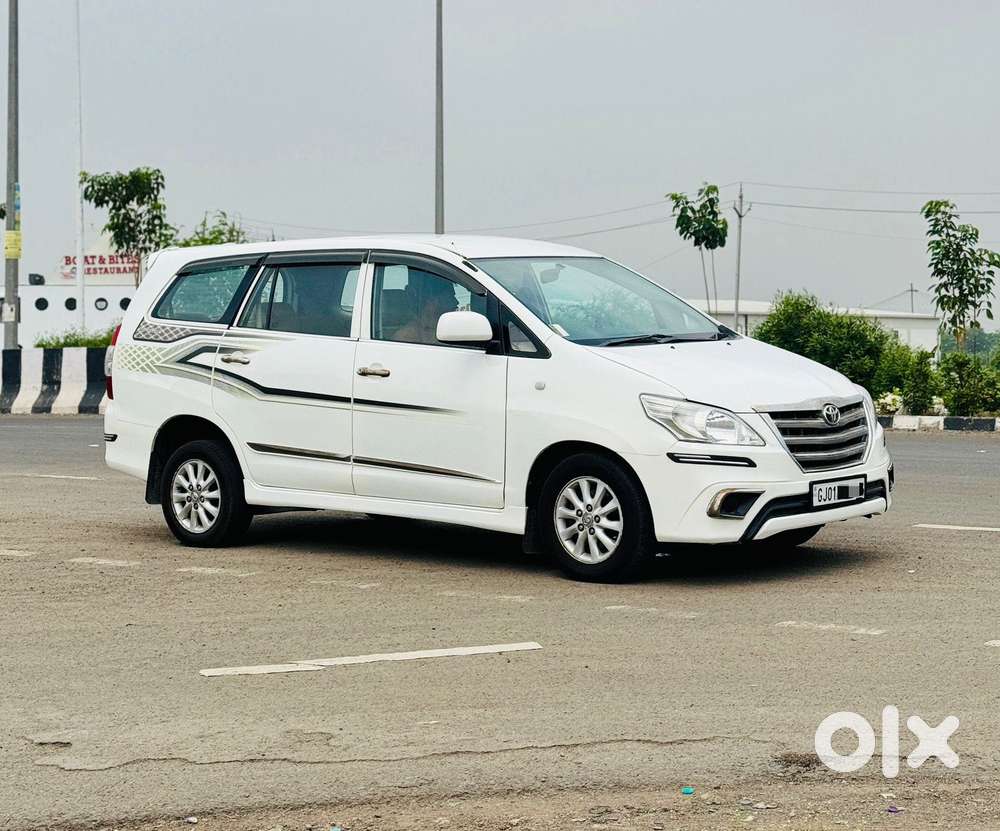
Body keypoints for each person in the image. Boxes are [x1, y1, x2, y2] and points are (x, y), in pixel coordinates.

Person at [394, 273, 459, 344]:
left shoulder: (443, 330)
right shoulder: (406, 337)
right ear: (432, 301)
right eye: (450, 297)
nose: (456, 302)